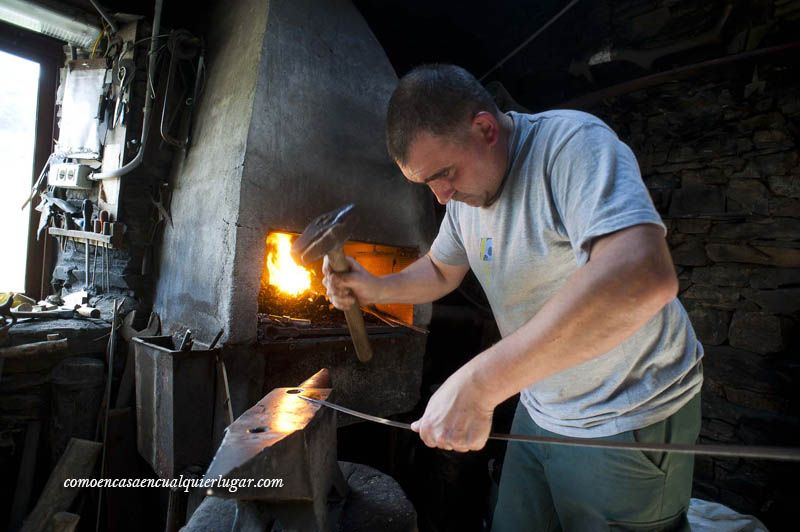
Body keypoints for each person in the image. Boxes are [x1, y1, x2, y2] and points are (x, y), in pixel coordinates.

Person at [323, 64, 703, 531]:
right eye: (427, 185)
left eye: (444, 174)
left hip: (625, 412)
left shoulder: (570, 146)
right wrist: (374, 288)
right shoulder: (465, 198)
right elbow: (442, 268)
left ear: (484, 128)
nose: (441, 197)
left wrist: (480, 384)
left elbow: (641, 275)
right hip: (539, 403)